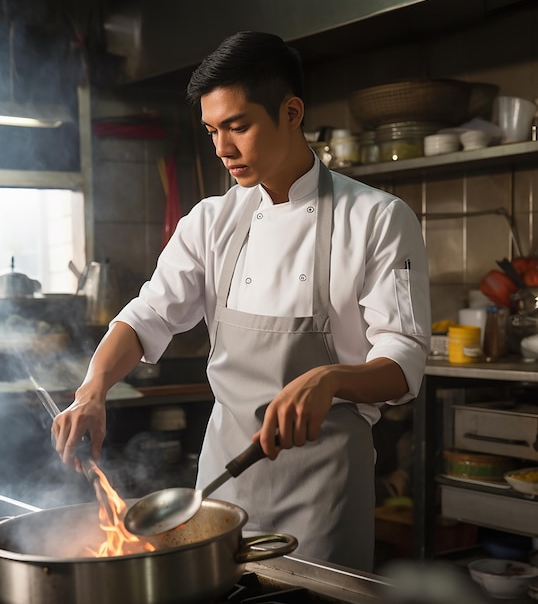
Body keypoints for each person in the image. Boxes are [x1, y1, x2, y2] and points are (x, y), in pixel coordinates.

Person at [52, 30, 431, 571]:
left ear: (292, 112)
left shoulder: (376, 218)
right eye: (212, 131)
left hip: (324, 496)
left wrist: (333, 378)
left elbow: (405, 360)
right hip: (220, 487)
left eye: (239, 126)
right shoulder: (212, 221)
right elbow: (146, 315)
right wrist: (91, 390)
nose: (223, 149)